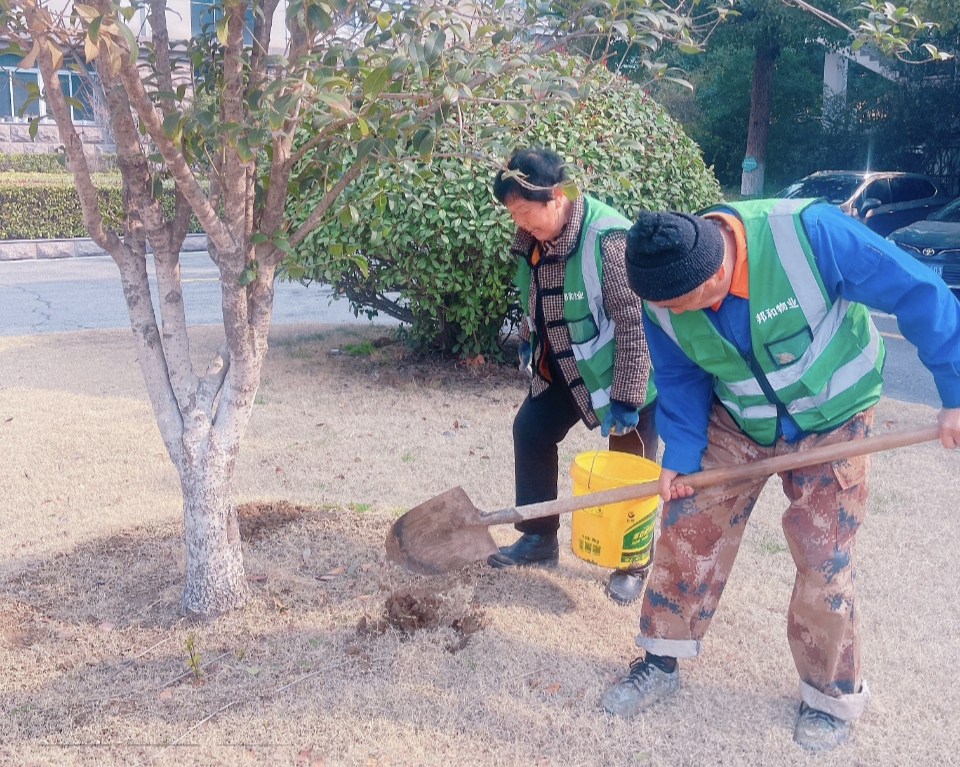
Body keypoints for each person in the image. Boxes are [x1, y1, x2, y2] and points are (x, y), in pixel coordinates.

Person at [600, 197, 960, 750]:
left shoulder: (811, 236)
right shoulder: (662, 295)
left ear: (717, 270)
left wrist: (954, 391)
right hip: (739, 417)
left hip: (834, 415)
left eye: (687, 304)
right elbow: (679, 373)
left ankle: (828, 698)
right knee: (688, 522)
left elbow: (919, 292)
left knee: (824, 555)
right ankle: (660, 660)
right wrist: (682, 452)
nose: (678, 314)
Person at [488, 147, 659, 605]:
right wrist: (529, 336)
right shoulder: (533, 242)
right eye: (514, 215)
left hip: (625, 372)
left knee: (632, 461)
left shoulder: (609, 238)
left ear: (557, 196)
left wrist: (627, 396)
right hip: (564, 365)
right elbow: (536, 295)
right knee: (530, 429)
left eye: (526, 211)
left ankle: (634, 562)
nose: (521, 223)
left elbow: (634, 322)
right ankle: (538, 536)